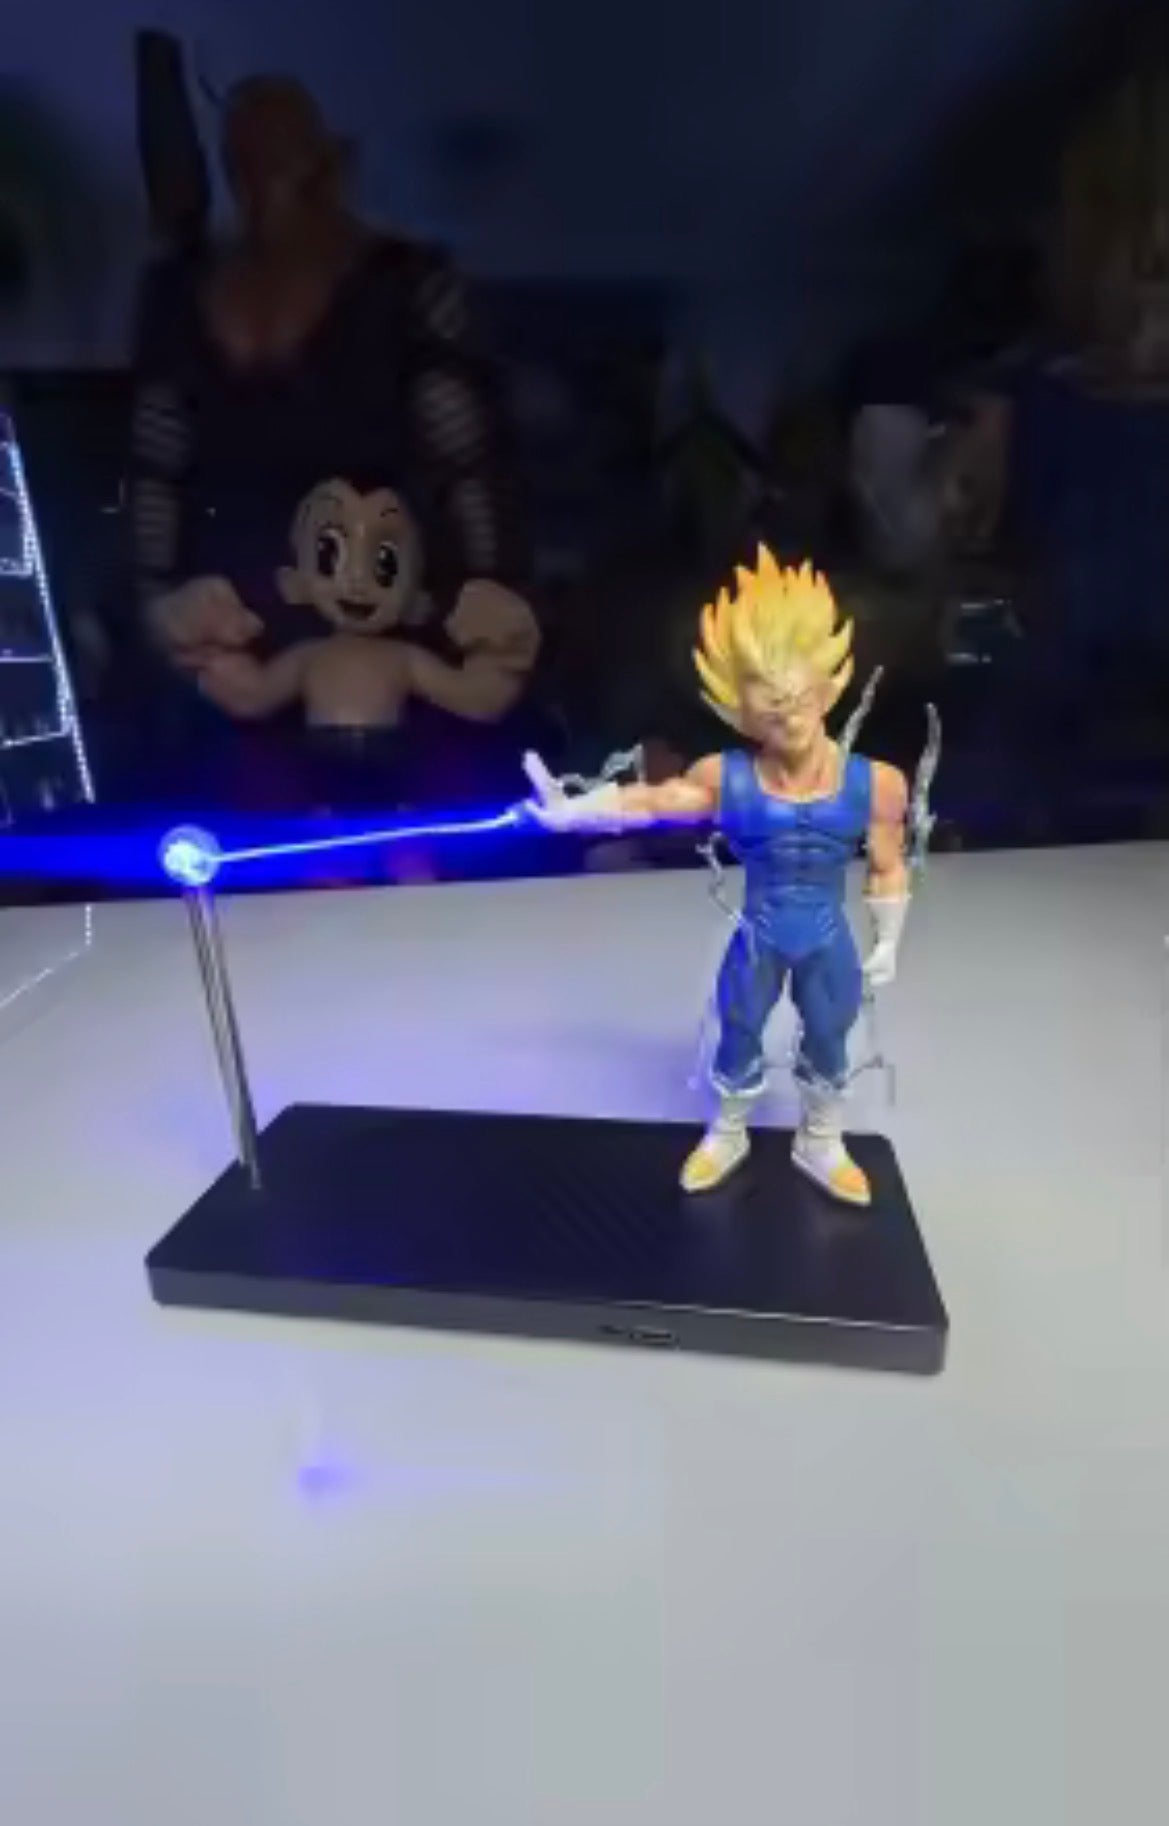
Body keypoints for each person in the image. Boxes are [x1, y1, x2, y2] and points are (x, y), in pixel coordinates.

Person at [129, 74, 536, 811]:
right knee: (242, 835)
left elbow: (469, 457)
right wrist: (158, 600)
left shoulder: (405, 283)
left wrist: (491, 590)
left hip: (388, 621)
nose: (263, 185)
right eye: (244, 164)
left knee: (409, 832)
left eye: (281, 160)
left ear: (328, 164)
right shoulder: (181, 292)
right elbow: (156, 462)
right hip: (237, 633)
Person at [523, 549, 913, 1206]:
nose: (789, 717)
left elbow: (888, 864)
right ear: (741, 710)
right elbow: (654, 801)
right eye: (770, 708)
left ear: (826, 688)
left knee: (829, 1032)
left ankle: (821, 1138)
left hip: (827, 934)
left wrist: (889, 942)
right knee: (738, 1026)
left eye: (798, 701)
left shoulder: (875, 783)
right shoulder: (724, 777)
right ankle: (728, 1132)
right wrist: (574, 812)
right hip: (759, 932)